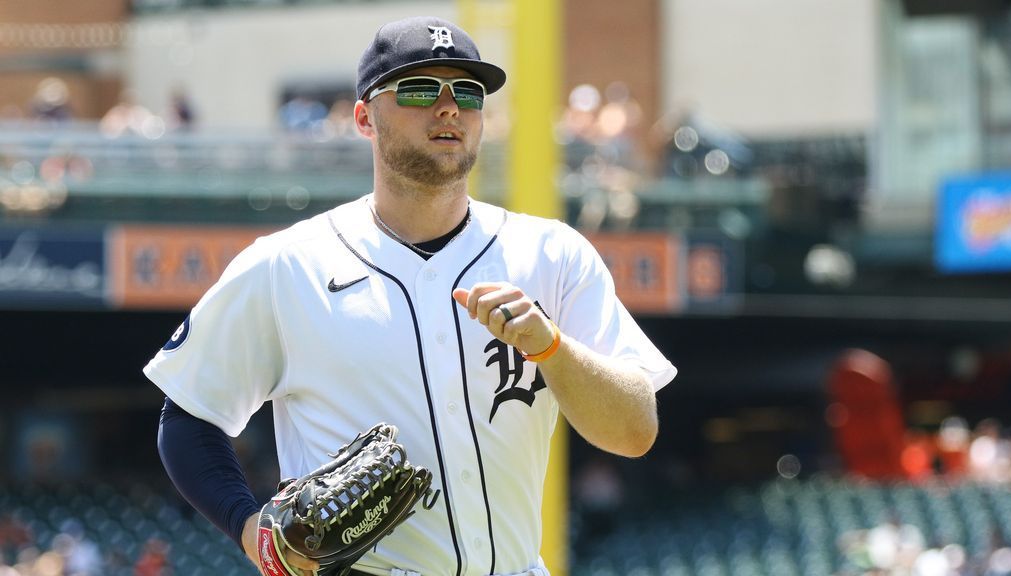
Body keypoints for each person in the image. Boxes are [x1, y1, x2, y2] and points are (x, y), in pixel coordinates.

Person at [145, 16, 676, 576]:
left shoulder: (551, 254)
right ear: (364, 117)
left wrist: (554, 351)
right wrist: (252, 532)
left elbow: (635, 430)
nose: (448, 107)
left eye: (467, 93)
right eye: (420, 88)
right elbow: (187, 418)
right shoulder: (287, 265)